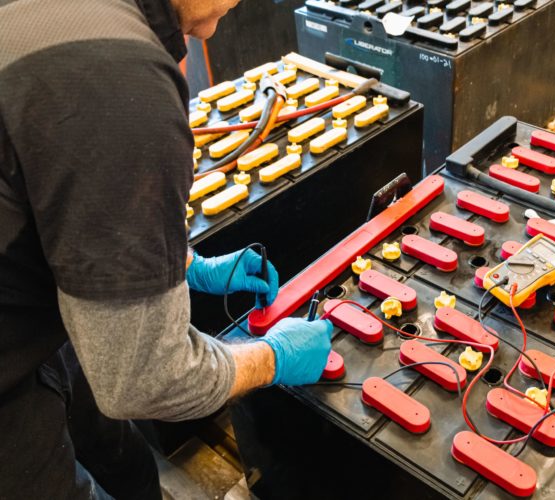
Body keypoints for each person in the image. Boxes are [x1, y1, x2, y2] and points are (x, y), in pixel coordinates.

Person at [0, 0, 333, 497]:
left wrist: (189, 266)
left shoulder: (82, 23)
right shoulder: (119, 82)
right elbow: (145, 379)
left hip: (28, 299)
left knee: (126, 461)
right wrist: (272, 357)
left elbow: (71, 203)